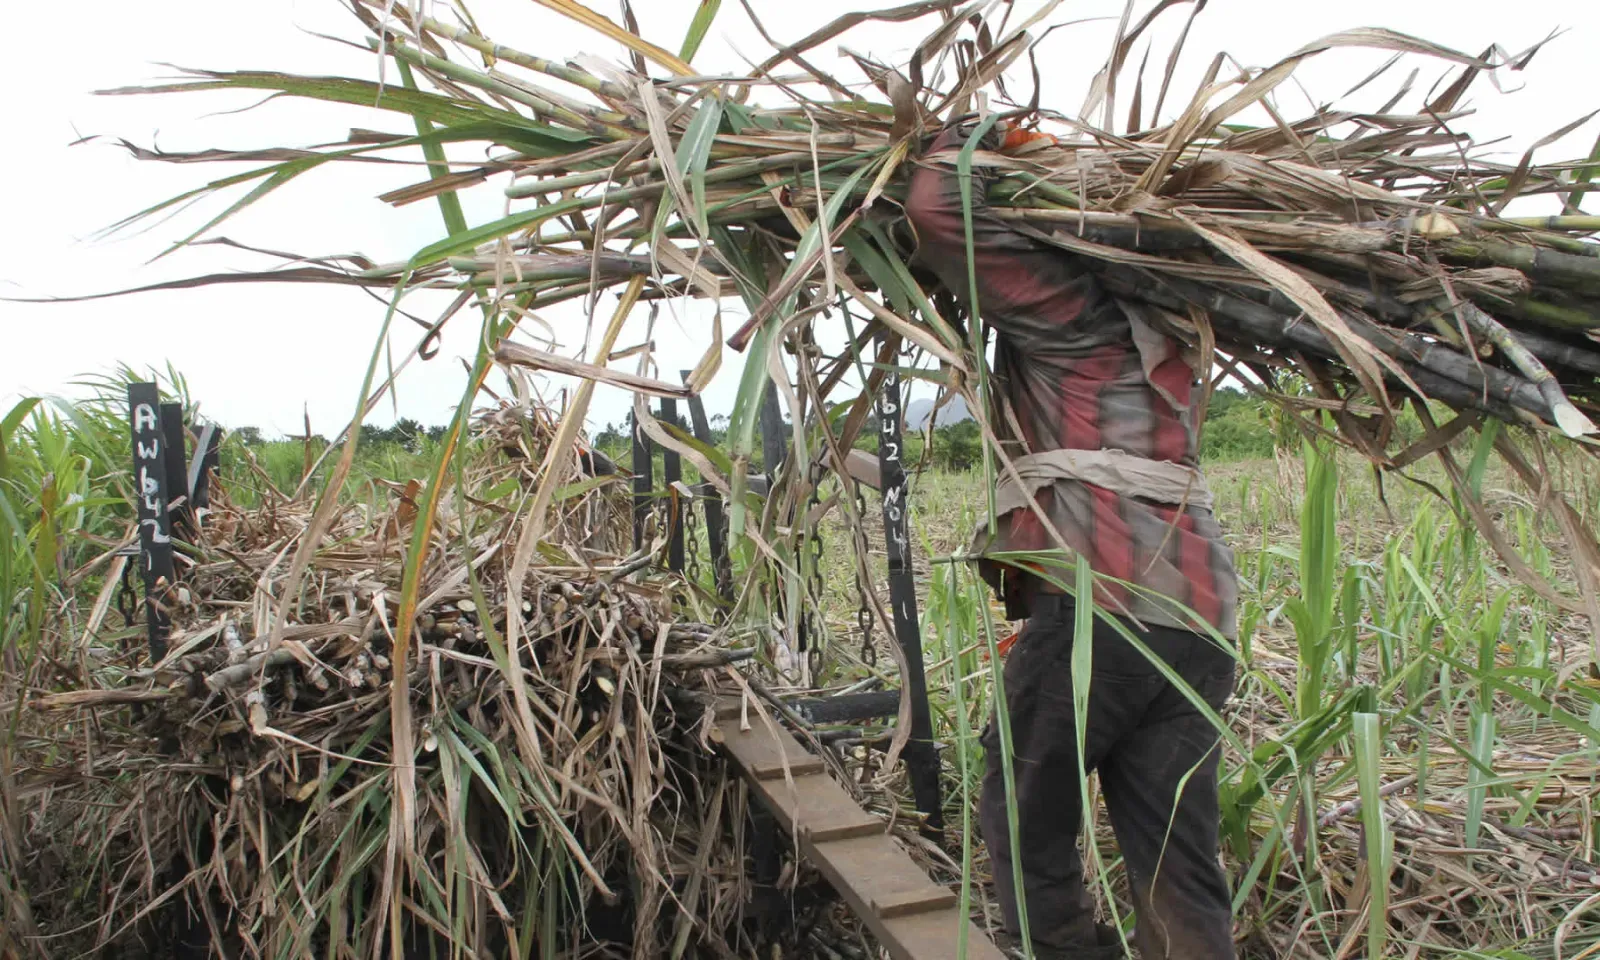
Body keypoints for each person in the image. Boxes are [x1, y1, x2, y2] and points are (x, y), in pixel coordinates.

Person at [903, 121, 1240, 960]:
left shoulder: (1077, 320)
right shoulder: (1174, 336)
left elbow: (939, 216)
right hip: (1199, 623)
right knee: (1176, 852)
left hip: (1106, 611)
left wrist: (971, 139)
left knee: (1024, 815)